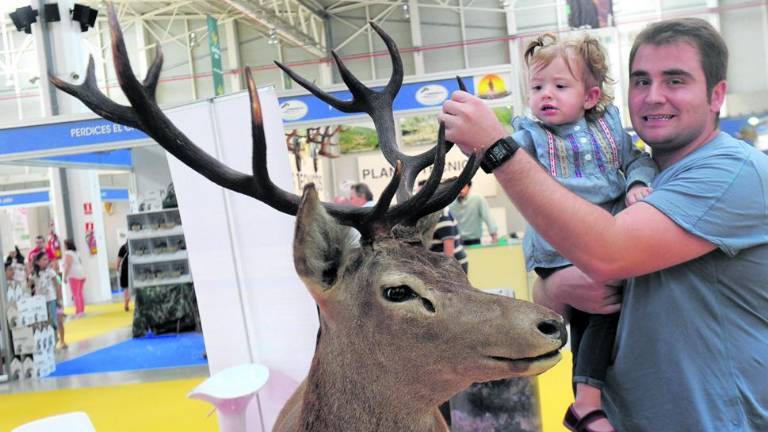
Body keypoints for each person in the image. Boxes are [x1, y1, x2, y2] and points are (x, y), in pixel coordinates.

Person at [440, 17, 768, 432]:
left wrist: (497, 149)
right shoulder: (635, 176)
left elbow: (608, 253)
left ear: (716, 94)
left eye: (675, 80)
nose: (653, 97)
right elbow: (552, 305)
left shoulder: (733, 171)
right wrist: (554, 286)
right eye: (641, 81)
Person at [502, 32, 657, 431]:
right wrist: (482, 143)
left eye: (558, 86)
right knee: (600, 308)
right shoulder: (534, 135)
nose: (545, 95)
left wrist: (635, 183)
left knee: (598, 315)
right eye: (537, 87)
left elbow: (635, 159)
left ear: (589, 97)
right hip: (560, 250)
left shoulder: (608, 129)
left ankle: (587, 402)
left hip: (601, 243)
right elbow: (502, 149)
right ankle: (586, 402)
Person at [417, 179, 469, 273]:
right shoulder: (431, 214)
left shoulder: (440, 215)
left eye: (421, 195)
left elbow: (449, 245)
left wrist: (446, 271)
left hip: (455, 265)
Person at [31, 251, 66, 349]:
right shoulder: (35, 274)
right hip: (40, 302)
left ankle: (58, 341)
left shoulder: (51, 271)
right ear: (37, 262)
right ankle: (49, 343)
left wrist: (59, 300)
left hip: (52, 300)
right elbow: (30, 285)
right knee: (43, 322)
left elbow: (57, 285)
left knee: (55, 321)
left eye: (47, 259)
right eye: (44, 259)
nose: (47, 261)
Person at [448, 181, 498, 245]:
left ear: (469, 187)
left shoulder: (477, 199)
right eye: (458, 187)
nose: (460, 190)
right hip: (457, 240)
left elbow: (488, 217)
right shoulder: (452, 203)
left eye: (463, 187)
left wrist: (494, 235)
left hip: (474, 240)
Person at [62, 239, 87, 317]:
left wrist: (65, 276)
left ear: (66, 245)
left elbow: (68, 265)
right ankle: (82, 310)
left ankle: (78, 311)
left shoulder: (68, 253)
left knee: (75, 294)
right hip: (81, 273)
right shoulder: (76, 252)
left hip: (74, 274)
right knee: (80, 293)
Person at [117, 240, 130, 312]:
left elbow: (119, 259)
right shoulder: (136, 245)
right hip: (133, 269)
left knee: (126, 288)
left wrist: (117, 267)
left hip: (125, 269)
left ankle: (126, 304)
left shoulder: (123, 247)